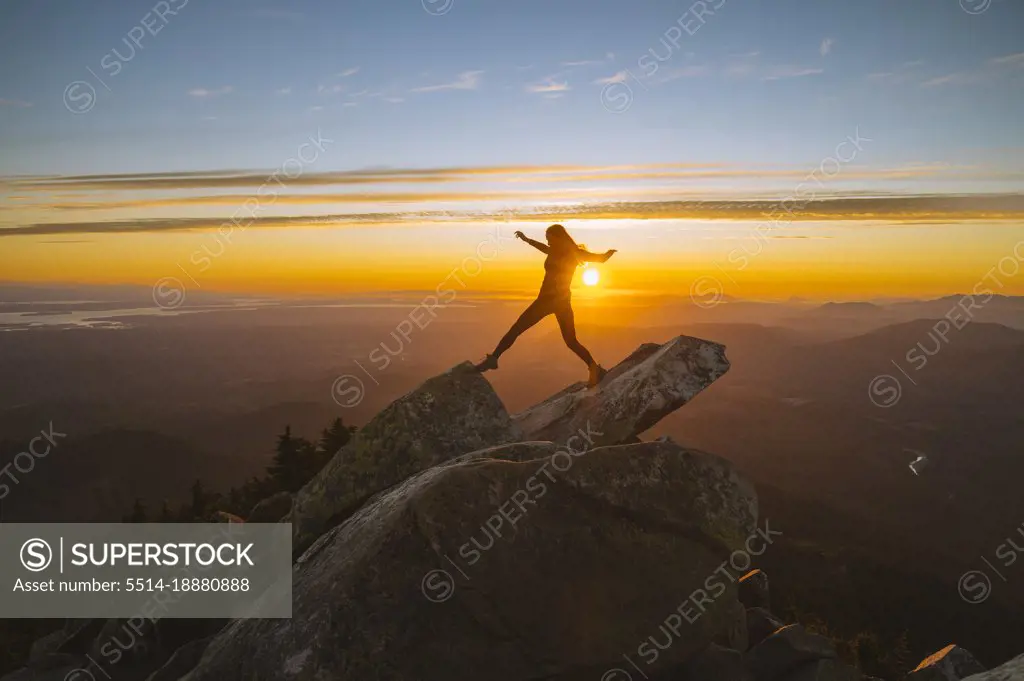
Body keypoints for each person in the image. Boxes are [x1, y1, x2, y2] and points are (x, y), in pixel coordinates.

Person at [475, 223, 616, 387]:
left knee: (519, 329)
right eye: (547, 240)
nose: (548, 242)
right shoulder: (558, 251)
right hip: (559, 302)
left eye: (549, 239)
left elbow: (599, 259)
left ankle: (493, 359)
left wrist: (609, 253)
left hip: (548, 301)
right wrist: (526, 239)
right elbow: (542, 247)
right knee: (570, 341)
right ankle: (594, 369)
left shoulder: (574, 253)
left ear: (558, 238)